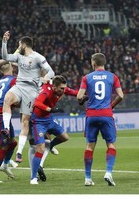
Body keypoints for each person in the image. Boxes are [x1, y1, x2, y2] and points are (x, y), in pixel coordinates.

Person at [1, 31, 55, 163]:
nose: (18, 47)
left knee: (25, 122)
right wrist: (4, 42)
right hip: (19, 86)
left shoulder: (38, 57)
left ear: (24, 44)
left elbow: (51, 71)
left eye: (19, 44)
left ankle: (19, 152)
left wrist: (45, 79)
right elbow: (6, 57)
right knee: (7, 99)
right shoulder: (19, 57)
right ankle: (6, 129)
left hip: (31, 91)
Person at [29, 75, 88, 184]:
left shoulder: (60, 90)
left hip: (49, 120)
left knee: (64, 137)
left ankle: (50, 146)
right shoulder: (46, 92)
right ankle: (33, 178)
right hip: (39, 122)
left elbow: (71, 91)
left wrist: (82, 95)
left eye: (64, 88)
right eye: (61, 88)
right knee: (40, 148)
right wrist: (50, 109)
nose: (63, 90)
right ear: (55, 87)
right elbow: (37, 103)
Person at [77, 53, 124, 187]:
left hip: (91, 115)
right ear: (104, 62)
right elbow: (120, 95)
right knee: (111, 144)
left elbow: (79, 97)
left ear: (93, 63)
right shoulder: (112, 76)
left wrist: (84, 98)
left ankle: (87, 178)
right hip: (106, 115)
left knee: (90, 146)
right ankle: (108, 172)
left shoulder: (87, 77)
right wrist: (111, 106)